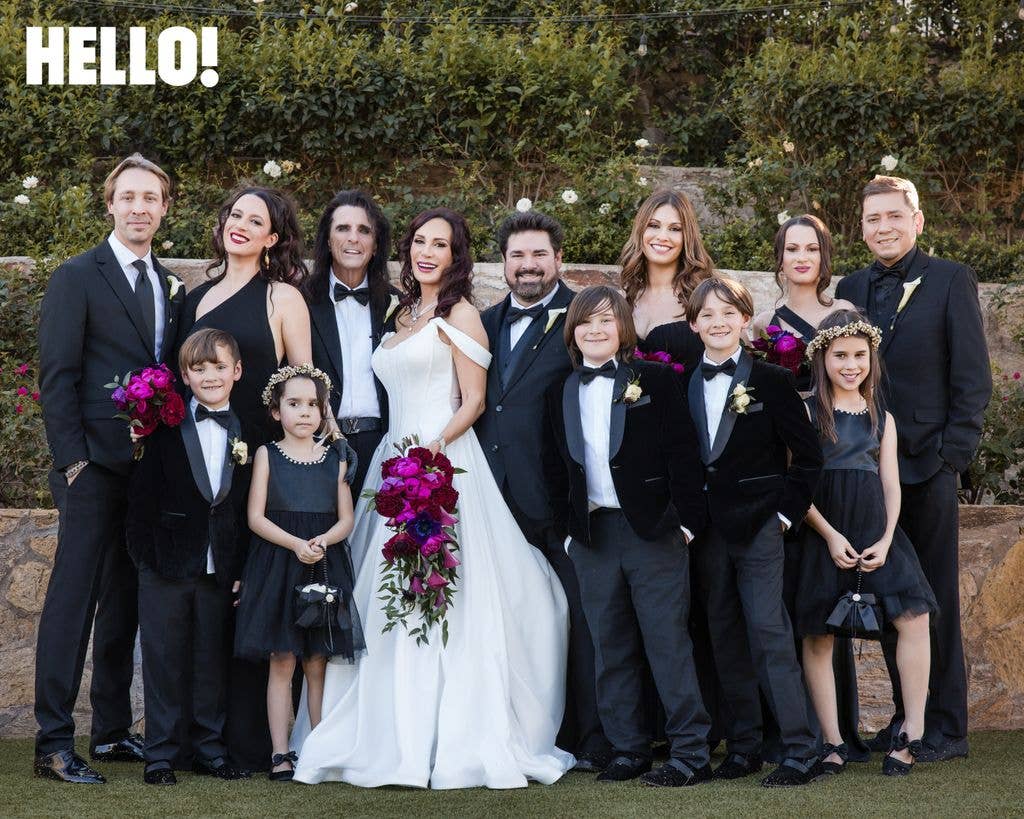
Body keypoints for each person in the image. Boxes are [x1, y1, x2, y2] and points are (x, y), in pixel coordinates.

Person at [291, 207, 574, 789]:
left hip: (440, 463)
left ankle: (444, 732)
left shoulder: (461, 313)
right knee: (385, 591)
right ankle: (384, 727)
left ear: (456, 256)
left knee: (441, 590)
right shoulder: (402, 312)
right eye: (420, 241)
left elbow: (474, 400)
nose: (426, 252)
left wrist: (431, 454)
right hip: (390, 462)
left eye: (439, 244)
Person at [35, 153, 185, 783]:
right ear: (110, 204)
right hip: (91, 468)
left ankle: (112, 730)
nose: (139, 208)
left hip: (145, 471)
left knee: (124, 602)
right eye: (128, 197)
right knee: (73, 603)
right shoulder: (77, 276)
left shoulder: (170, 285)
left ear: (165, 208)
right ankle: (52, 742)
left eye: (150, 198)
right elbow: (57, 377)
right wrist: (72, 461)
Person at [835, 176, 991, 761]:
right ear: (862, 228)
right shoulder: (850, 288)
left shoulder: (951, 279)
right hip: (865, 473)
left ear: (917, 221)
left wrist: (953, 456)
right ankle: (907, 719)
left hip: (927, 468)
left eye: (894, 216)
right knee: (889, 598)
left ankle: (947, 728)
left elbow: (972, 377)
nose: (884, 227)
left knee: (935, 599)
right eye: (873, 218)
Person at [545, 285, 712, 787]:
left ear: (622, 328)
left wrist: (685, 525)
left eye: (605, 320)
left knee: (667, 643)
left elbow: (684, 454)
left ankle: (690, 753)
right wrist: (569, 534)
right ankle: (628, 748)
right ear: (573, 332)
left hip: (653, 531)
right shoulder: (560, 391)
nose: (595, 330)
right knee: (609, 646)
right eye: (585, 322)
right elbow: (554, 467)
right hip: (593, 536)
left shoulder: (655, 379)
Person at [178, 185, 313, 770]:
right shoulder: (194, 298)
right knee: (207, 595)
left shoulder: (283, 297)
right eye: (235, 214)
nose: (240, 225)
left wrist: (320, 452)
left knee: (254, 591)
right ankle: (198, 737)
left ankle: (257, 742)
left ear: (272, 238)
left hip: (260, 465)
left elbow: (306, 382)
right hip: (201, 466)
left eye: (255, 221)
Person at [474, 210, 610, 770]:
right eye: (517, 256)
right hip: (489, 495)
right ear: (502, 262)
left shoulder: (584, 318)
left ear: (558, 259)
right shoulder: (482, 322)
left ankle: (593, 736)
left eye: (538, 255)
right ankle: (514, 729)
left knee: (581, 617)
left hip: (558, 498)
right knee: (505, 619)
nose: (527, 265)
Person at [685, 276, 824, 788]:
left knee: (769, 632)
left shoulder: (772, 381)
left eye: (728, 313)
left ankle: (800, 749)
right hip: (708, 533)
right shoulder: (683, 384)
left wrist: (785, 516)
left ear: (745, 319)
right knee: (724, 636)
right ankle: (743, 746)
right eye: (707, 315)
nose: (718, 322)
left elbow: (808, 458)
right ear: (693, 324)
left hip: (762, 526)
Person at [797, 311, 937, 777]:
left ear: (872, 359)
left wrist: (887, 536)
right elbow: (796, 485)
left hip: (876, 531)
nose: (851, 364)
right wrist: (829, 534)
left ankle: (911, 731)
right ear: (822, 358)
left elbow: (890, 483)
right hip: (824, 531)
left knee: (914, 618)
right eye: (840, 355)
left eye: (860, 355)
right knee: (818, 633)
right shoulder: (806, 412)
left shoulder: (883, 417)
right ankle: (832, 741)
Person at [125, 328, 252, 785]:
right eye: (199, 369)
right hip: (166, 563)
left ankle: (209, 750)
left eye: (219, 367)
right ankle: (160, 755)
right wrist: (146, 559)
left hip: (220, 568)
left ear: (237, 371)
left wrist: (240, 569)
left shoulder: (248, 432)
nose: (210, 376)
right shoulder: (162, 431)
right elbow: (139, 500)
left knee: (210, 659)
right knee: (162, 659)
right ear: (184, 375)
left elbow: (245, 507)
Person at [234, 364, 362, 781]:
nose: (305, 412)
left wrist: (323, 540)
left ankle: (316, 746)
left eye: (313, 404)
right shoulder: (267, 455)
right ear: (276, 412)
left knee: (316, 659)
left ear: (323, 411)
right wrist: (295, 545)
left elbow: (347, 519)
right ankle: (279, 752)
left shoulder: (336, 459)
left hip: (323, 562)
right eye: (294, 404)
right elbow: (255, 517)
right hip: (279, 564)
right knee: (282, 658)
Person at [305, 190, 402, 496]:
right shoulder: (299, 300)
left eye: (364, 230)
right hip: (316, 440)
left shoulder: (397, 305)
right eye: (343, 228)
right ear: (327, 240)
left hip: (382, 442)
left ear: (376, 245)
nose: (353, 238)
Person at [751, 214, 855, 393]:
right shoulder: (764, 323)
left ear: (824, 256)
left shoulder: (844, 311)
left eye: (812, 249)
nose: (802, 257)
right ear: (780, 258)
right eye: (792, 249)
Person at [620, 189, 715, 373]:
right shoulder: (623, 297)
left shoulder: (708, 297)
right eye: (653, 225)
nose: (662, 236)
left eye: (675, 229)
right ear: (640, 230)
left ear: (687, 236)